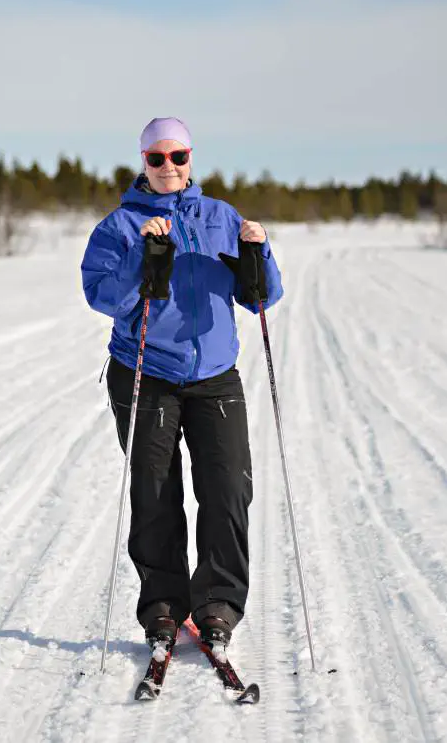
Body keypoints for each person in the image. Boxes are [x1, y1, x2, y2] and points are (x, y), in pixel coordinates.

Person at [80, 117, 283, 653]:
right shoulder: (119, 226)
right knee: (155, 493)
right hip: (145, 370)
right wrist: (139, 258)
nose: (169, 166)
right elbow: (104, 298)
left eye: (178, 156)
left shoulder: (221, 217)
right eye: (157, 158)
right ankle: (164, 609)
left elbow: (261, 298)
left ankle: (218, 604)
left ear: (191, 158)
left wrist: (259, 254)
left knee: (227, 489)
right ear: (142, 162)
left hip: (215, 377)